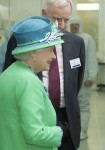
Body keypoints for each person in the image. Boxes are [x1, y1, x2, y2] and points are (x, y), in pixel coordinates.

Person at [3, 0, 85, 150]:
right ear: (44, 14)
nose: (61, 25)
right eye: (56, 19)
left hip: (65, 116)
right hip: (32, 118)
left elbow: (76, 82)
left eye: (66, 20)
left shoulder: (76, 42)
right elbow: (11, 73)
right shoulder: (22, 41)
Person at [0, 16, 66, 150]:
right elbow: (35, 133)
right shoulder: (28, 81)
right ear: (34, 53)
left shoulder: (9, 73)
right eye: (50, 51)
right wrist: (61, 132)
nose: (53, 56)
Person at [69, 16, 98, 140]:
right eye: (72, 24)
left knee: (84, 105)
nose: (74, 27)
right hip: (70, 78)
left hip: (84, 76)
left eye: (77, 24)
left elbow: (91, 57)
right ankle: (72, 130)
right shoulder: (66, 37)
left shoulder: (87, 38)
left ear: (80, 25)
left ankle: (83, 131)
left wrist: (91, 76)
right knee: (70, 105)